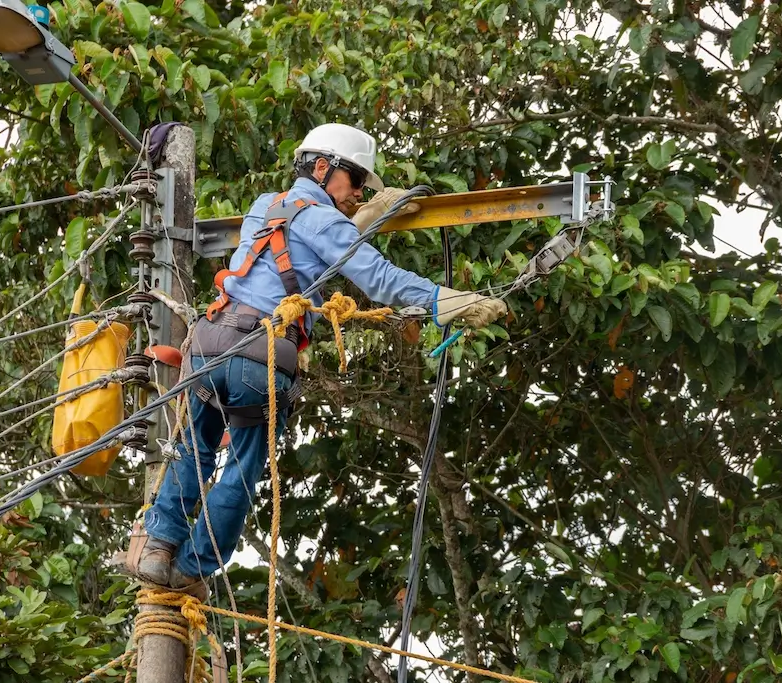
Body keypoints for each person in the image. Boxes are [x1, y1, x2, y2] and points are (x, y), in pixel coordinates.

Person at [128, 123, 507, 593]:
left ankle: (157, 548)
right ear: (324, 167)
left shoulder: (263, 205)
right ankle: (190, 570)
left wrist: (363, 216)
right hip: (258, 357)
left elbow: (299, 241)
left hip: (208, 346)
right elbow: (378, 278)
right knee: (242, 470)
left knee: (194, 448)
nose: (357, 193)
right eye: (355, 181)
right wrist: (447, 302)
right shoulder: (328, 222)